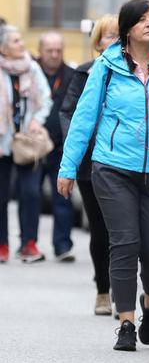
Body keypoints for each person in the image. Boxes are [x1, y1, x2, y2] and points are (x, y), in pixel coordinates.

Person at [58, 0, 149, 351]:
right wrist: (68, 168)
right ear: (128, 27)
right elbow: (84, 117)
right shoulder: (107, 66)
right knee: (125, 242)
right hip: (113, 167)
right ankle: (126, 322)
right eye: (143, 19)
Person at [60, 15, 119, 315]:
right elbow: (68, 113)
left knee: (124, 229)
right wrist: (82, 144)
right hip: (90, 163)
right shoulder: (84, 73)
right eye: (108, 36)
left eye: (119, 35)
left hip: (124, 159)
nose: (114, 40)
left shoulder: (136, 73)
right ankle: (103, 290)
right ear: (98, 42)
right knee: (100, 227)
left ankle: (123, 286)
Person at [0, 26, 52, 264]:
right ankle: (2, 245)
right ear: (3, 48)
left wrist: (36, 120)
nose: (22, 44)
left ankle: (29, 244)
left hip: (28, 141)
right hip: (2, 141)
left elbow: (46, 99)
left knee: (30, 192)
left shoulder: (32, 68)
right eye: (16, 41)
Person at [37, 31, 76, 262]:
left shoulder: (71, 76)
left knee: (63, 197)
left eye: (58, 50)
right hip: (35, 147)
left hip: (62, 147)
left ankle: (62, 246)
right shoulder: (31, 74)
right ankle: (28, 243)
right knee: (30, 196)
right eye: (49, 51)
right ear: (40, 52)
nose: (54, 55)